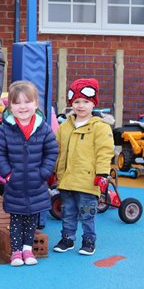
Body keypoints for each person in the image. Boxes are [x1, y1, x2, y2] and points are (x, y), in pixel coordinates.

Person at [0, 81, 58, 266]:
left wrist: (44, 173)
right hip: (15, 183)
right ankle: (16, 251)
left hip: (36, 182)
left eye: (27, 102)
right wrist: (7, 174)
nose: (22, 107)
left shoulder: (43, 127)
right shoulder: (6, 129)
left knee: (32, 217)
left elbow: (52, 151)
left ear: (36, 104)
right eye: (17, 103)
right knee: (15, 217)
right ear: (10, 106)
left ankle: (28, 250)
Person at [52, 78, 114, 256]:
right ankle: (68, 239)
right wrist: (55, 170)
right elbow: (57, 150)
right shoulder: (64, 127)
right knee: (67, 212)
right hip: (67, 181)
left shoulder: (100, 128)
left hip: (88, 182)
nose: (81, 106)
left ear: (93, 103)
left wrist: (102, 173)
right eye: (77, 101)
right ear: (71, 103)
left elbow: (105, 151)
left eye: (86, 102)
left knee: (87, 214)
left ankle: (88, 241)